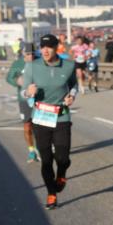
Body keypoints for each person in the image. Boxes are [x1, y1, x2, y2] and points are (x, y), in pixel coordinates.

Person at [23, 34, 78, 209]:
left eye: (49, 47)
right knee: (46, 160)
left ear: (56, 48)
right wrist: (28, 92)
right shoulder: (32, 67)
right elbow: (23, 92)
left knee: (63, 158)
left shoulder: (69, 65)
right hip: (41, 117)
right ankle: (51, 194)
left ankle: (61, 174)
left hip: (61, 116)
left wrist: (72, 96)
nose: (45, 51)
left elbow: (74, 85)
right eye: (42, 47)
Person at [7, 45, 40, 162]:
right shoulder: (17, 64)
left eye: (33, 54)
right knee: (27, 126)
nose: (31, 56)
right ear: (23, 54)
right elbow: (9, 78)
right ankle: (31, 150)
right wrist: (17, 81)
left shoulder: (40, 62)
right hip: (24, 99)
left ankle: (41, 148)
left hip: (40, 98)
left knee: (41, 126)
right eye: (28, 54)